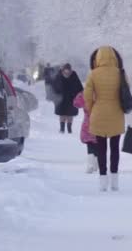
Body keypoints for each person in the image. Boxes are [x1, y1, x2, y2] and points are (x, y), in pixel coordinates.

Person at [84, 46, 125, 191]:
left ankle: (103, 181)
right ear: (114, 57)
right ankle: (115, 180)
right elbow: (125, 91)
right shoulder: (119, 73)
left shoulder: (93, 74)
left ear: (98, 58)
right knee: (115, 148)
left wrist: (91, 109)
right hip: (117, 113)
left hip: (99, 114)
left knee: (101, 149)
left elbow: (87, 96)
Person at [73, 50, 99, 173]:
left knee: (90, 145)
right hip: (101, 121)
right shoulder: (102, 93)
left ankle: (90, 165)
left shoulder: (85, 93)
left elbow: (77, 103)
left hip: (88, 123)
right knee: (99, 144)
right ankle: (97, 164)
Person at [53, 63, 83, 133]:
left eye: (68, 70)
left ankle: (69, 129)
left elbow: (79, 87)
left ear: (70, 70)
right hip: (61, 98)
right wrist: (57, 93)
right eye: (65, 70)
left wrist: (78, 93)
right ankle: (62, 128)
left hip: (71, 98)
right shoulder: (59, 75)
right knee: (62, 114)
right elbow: (54, 86)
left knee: (70, 114)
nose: (67, 72)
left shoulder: (74, 75)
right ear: (63, 70)